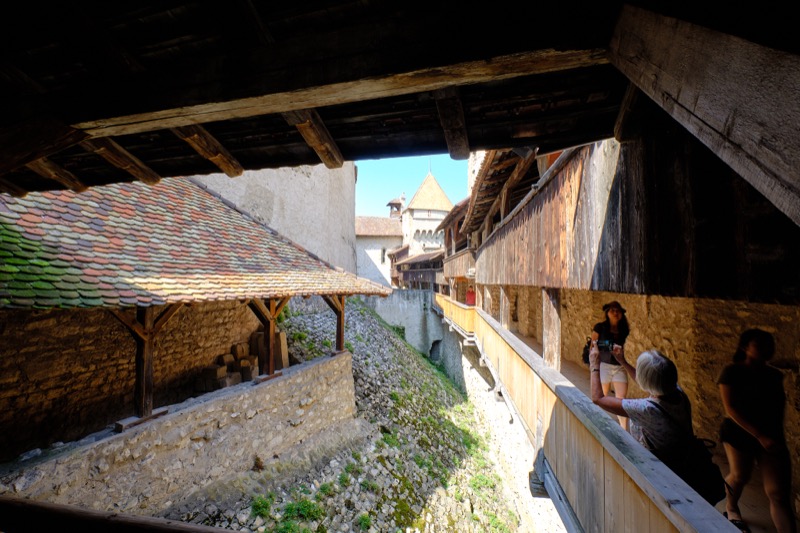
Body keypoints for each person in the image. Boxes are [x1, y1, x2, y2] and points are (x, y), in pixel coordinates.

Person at [717, 329, 796, 533]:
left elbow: (776, 409)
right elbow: (731, 409)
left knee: (778, 492)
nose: (766, 349)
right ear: (745, 347)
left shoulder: (773, 375)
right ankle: (731, 507)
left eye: (768, 345)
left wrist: (774, 440)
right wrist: (759, 435)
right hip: (738, 432)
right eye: (759, 345)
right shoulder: (731, 372)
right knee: (740, 475)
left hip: (769, 435)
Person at [590, 300, 631, 430]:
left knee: (621, 400)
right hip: (604, 365)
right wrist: (610, 346)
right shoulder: (599, 327)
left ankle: (624, 430)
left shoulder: (624, 330)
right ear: (607, 313)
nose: (615, 312)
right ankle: (598, 426)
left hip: (619, 366)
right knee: (602, 396)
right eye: (612, 310)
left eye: (617, 310)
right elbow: (593, 345)